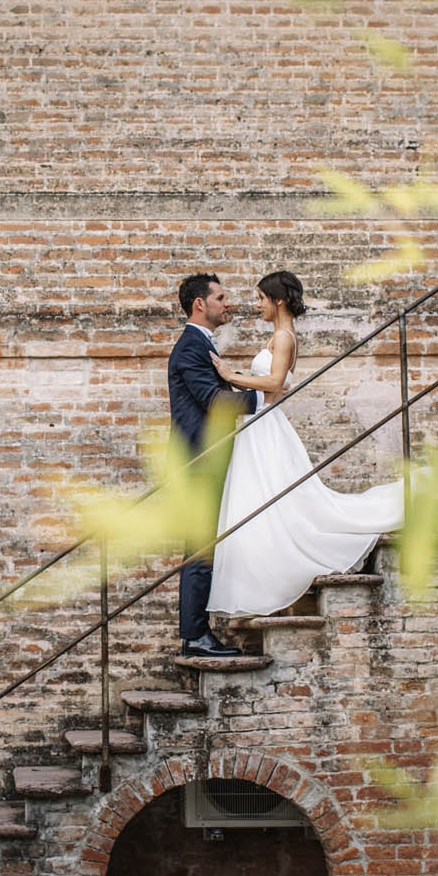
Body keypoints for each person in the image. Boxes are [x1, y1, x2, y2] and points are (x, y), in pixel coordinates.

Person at [208, 269, 404, 617]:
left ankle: (277, 577)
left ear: (278, 300)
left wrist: (230, 375)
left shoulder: (284, 337)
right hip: (257, 426)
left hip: (266, 425)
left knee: (277, 502)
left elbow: (276, 383)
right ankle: (262, 579)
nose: (257, 305)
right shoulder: (277, 335)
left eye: (261, 298)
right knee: (263, 504)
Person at [166, 272, 254, 658]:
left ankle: (196, 634)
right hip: (198, 461)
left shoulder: (200, 346)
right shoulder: (189, 348)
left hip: (206, 459)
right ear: (200, 304)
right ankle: (195, 636)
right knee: (200, 547)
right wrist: (261, 396)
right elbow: (214, 403)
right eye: (220, 297)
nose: (227, 303)